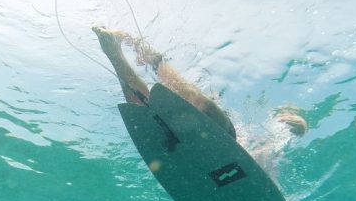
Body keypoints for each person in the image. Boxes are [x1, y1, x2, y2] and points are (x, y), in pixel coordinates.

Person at [91, 26, 307, 144]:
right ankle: (147, 55)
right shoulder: (264, 140)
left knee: (148, 115)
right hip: (219, 138)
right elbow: (267, 147)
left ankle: (113, 52)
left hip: (185, 146)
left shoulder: (267, 143)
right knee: (210, 115)